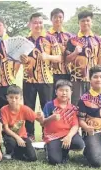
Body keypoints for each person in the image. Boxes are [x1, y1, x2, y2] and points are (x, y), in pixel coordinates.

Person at [21, 12, 62, 141]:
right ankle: (30, 134)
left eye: (40, 22)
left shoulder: (50, 38)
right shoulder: (24, 40)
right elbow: (19, 59)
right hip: (29, 79)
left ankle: (47, 133)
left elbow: (59, 58)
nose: (38, 25)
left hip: (46, 79)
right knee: (28, 107)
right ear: (30, 24)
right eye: (35, 22)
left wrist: (47, 57)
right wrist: (22, 59)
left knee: (47, 107)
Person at [65, 11, 101, 105]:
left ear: (92, 22)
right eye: (83, 21)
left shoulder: (98, 40)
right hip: (76, 78)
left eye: (88, 20)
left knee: (93, 103)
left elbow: (100, 58)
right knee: (76, 103)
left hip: (93, 78)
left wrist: (98, 75)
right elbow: (67, 60)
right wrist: (75, 52)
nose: (85, 23)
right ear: (78, 22)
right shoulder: (73, 40)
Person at [43, 79, 84, 165]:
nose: (64, 93)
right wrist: (51, 118)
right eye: (61, 90)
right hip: (53, 135)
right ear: (56, 92)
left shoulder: (73, 108)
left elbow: (75, 125)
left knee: (79, 144)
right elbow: (43, 123)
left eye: (67, 90)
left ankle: (64, 151)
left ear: (71, 92)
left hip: (67, 134)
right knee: (55, 161)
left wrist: (69, 136)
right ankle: (48, 147)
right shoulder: (49, 105)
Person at [1, 85, 44, 161]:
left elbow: (40, 121)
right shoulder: (4, 110)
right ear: (7, 98)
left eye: (16, 98)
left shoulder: (24, 109)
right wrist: (18, 138)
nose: (13, 100)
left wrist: (41, 116)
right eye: (11, 97)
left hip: (23, 136)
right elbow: (6, 129)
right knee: (11, 142)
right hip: (9, 135)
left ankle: (17, 153)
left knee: (32, 158)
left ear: (20, 98)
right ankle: (10, 152)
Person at [47, 8, 74, 97]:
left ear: (63, 18)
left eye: (60, 17)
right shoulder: (46, 36)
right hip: (51, 72)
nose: (58, 19)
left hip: (66, 72)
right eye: (55, 17)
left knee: (65, 97)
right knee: (52, 98)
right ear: (51, 19)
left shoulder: (69, 36)